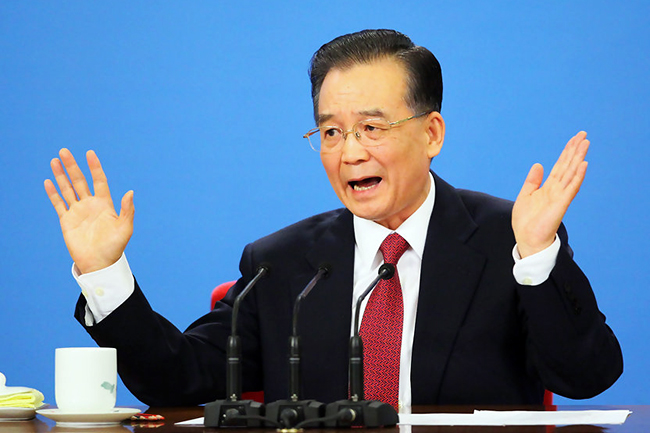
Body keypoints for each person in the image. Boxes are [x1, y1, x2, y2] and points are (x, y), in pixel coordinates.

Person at [44, 29, 622, 409]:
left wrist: (538, 258)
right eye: (330, 132)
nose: (350, 153)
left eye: (372, 128)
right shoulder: (280, 264)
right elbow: (177, 380)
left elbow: (586, 377)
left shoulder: (508, 240)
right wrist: (105, 275)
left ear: (431, 133)